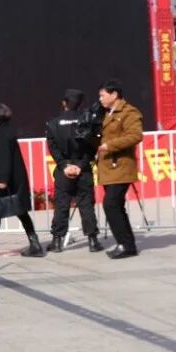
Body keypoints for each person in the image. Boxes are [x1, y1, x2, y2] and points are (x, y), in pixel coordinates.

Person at [0, 103, 43, 258]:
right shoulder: (3, 132)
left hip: (5, 180)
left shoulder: (1, 134)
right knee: (15, 211)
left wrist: (2, 179)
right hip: (11, 179)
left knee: (1, 210)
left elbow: (4, 158)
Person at [44, 89, 101, 253]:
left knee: (61, 205)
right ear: (80, 104)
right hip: (83, 169)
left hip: (64, 170)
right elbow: (92, 147)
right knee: (86, 204)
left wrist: (64, 165)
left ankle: (57, 241)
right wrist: (81, 165)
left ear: (64, 103)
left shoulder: (53, 124)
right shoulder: (88, 122)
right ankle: (92, 241)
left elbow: (53, 148)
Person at [96, 79, 143, 259]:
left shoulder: (129, 112)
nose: (100, 99)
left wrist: (110, 145)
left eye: (103, 95)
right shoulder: (104, 113)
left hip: (121, 165)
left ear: (114, 94)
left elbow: (135, 135)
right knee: (116, 206)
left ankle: (125, 244)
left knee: (111, 204)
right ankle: (127, 244)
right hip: (108, 166)